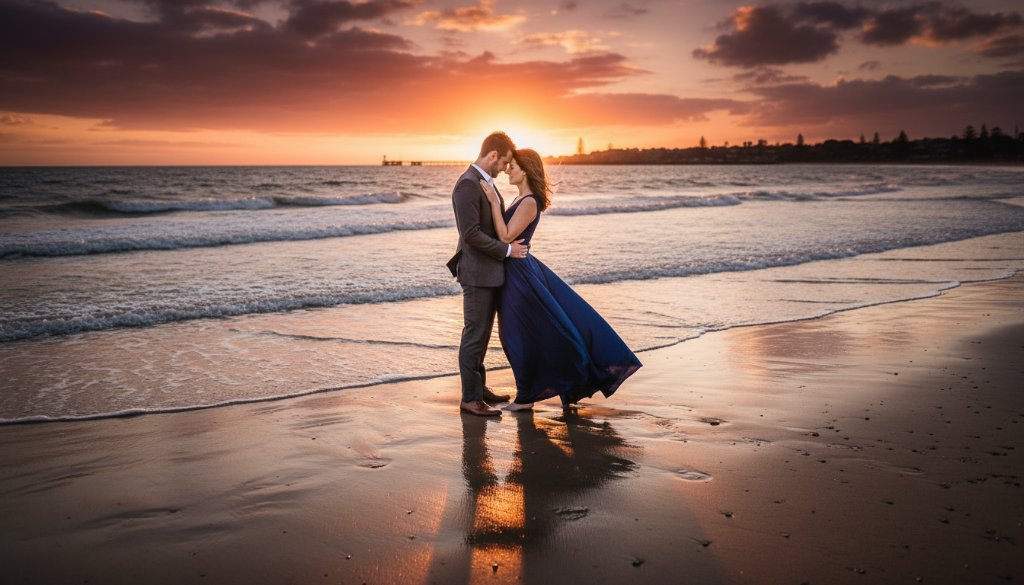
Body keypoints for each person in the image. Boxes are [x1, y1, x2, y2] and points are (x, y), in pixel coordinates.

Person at [479, 148, 642, 411]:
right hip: (515, 272)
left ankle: (525, 397)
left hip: (520, 276)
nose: (508, 170)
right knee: (518, 334)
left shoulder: (529, 202)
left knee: (515, 335)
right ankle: (528, 394)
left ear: (526, 171)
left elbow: (506, 236)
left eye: (513, 166)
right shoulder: (520, 199)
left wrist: (492, 204)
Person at [447, 132, 530, 416]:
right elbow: (470, 234)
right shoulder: (467, 185)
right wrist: (507, 251)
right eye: (505, 162)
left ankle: (479, 388)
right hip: (476, 273)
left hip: (489, 272)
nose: (506, 168)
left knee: (482, 335)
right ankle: (470, 399)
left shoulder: (484, 182)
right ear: (493, 155)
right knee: (474, 335)